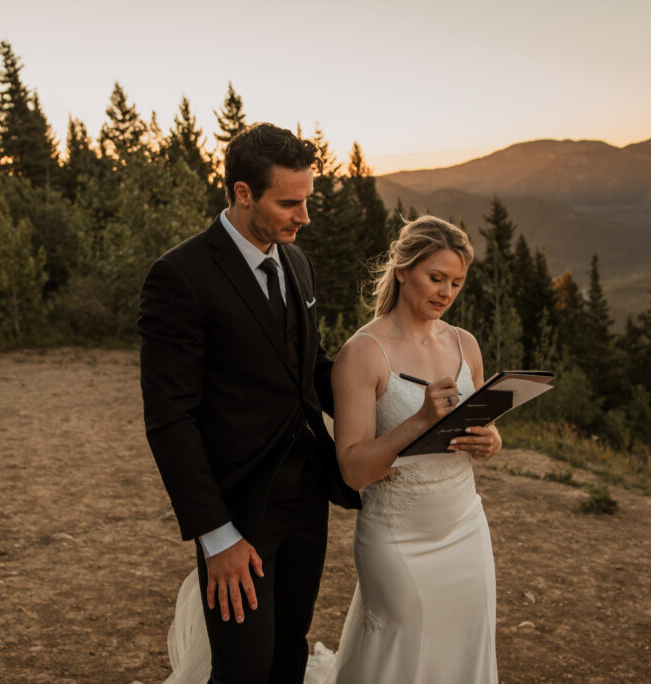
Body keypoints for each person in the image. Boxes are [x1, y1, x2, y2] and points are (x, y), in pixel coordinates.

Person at [138, 122, 360, 684]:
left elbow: (309, 371)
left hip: (306, 495)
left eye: (307, 200)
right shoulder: (179, 277)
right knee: (243, 668)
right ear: (242, 194)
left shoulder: (297, 263)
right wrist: (217, 535)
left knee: (289, 654)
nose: (304, 218)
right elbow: (170, 419)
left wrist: (400, 400)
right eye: (290, 203)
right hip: (238, 508)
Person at [326, 215, 501, 683]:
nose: (446, 292)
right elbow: (352, 470)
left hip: (465, 525)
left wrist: (491, 440)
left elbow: (478, 423)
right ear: (402, 270)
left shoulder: (466, 343)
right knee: (403, 651)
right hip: (397, 536)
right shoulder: (363, 352)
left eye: (457, 283)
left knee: (467, 643)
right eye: (436, 277)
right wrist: (420, 421)